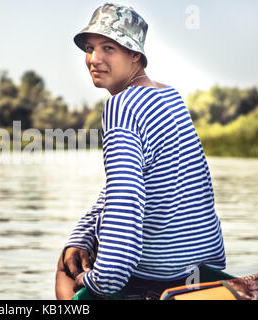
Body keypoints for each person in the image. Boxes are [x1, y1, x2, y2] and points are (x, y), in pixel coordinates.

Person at [55, 3, 226, 300]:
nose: (94, 59)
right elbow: (121, 187)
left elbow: (126, 201)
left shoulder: (121, 107)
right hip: (203, 270)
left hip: (157, 279)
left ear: (136, 55)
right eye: (90, 48)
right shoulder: (169, 97)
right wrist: (81, 235)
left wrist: (101, 280)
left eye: (109, 48)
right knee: (78, 246)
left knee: (65, 267)